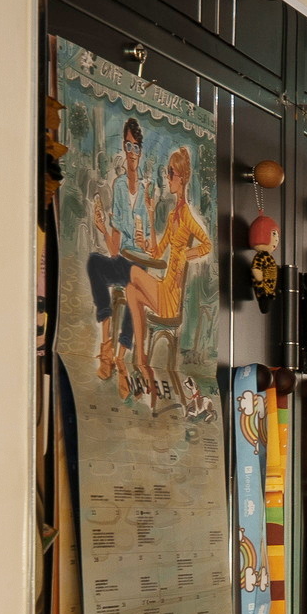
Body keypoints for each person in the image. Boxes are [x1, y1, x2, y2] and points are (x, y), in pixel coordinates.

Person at [124, 143, 213, 414]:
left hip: (171, 298)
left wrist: (186, 254)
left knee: (133, 273)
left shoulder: (185, 215)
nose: (168, 177)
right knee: (131, 291)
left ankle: (142, 361)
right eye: (168, 173)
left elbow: (207, 244)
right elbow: (157, 251)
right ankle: (142, 362)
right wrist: (151, 218)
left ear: (182, 178)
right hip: (164, 287)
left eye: (171, 173)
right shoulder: (174, 214)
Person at [86, 114, 151, 385]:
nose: (131, 152)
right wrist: (102, 227)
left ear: (140, 151)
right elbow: (114, 249)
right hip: (123, 260)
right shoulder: (119, 185)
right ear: (124, 149)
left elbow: (152, 246)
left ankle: (122, 359)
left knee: (134, 290)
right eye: (127, 146)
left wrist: (145, 242)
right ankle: (106, 347)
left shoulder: (147, 192)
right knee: (94, 262)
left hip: (141, 264)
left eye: (135, 147)